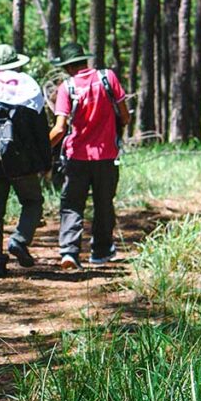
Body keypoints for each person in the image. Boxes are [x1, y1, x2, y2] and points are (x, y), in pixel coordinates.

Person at [48, 42, 131, 270]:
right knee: (104, 204)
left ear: (67, 67)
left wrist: (42, 150)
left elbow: (59, 129)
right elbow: (125, 116)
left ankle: (69, 252)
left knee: (72, 204)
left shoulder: (67, 88)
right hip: (106, 156)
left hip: (76, 158)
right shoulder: (108, 78)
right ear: (84, 60)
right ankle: (101, 253)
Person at [0, 44, 52, 270]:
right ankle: (19, 239)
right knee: (33, 202)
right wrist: (46, 162)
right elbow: (40, 131)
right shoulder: (30, 91)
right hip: (24, 163)